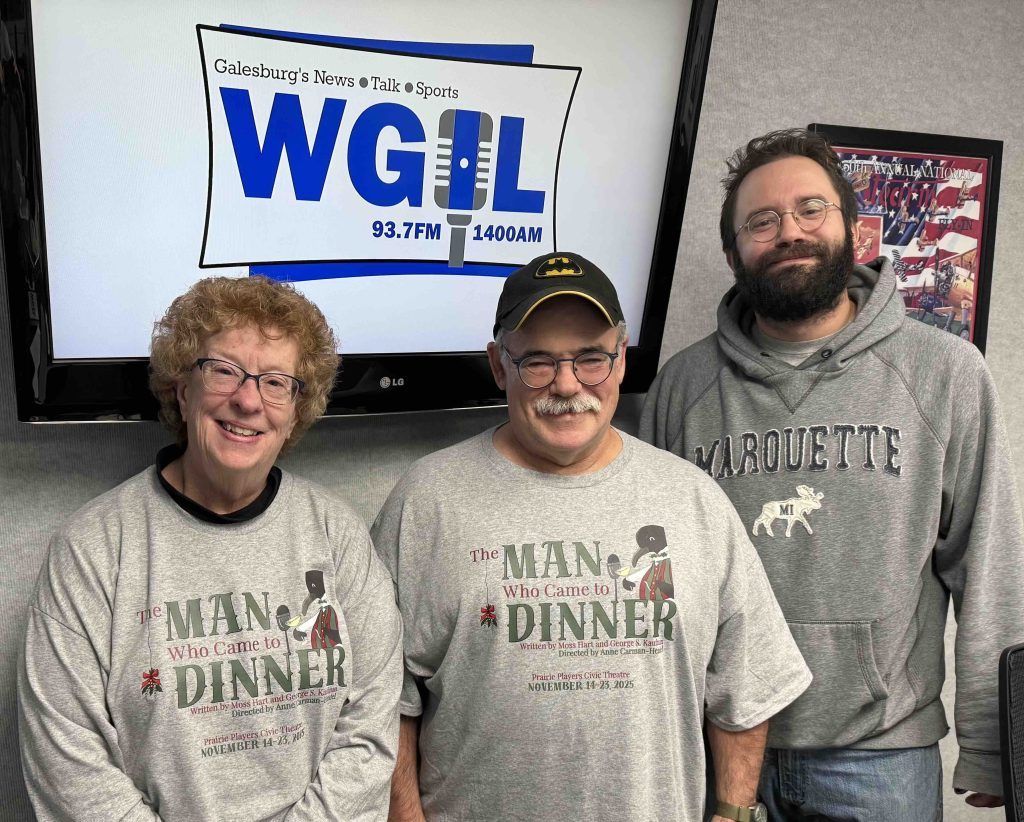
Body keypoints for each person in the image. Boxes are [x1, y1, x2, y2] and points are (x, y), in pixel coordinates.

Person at [640, 128, 1024, 819]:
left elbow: (988, 563)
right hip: (718, 750)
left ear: (852, 227)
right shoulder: (681, 388)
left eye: (810, 209)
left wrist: (995, 743)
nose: (789, 232)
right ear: (734, 253)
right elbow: (657, 578)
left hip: (879, 758)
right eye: (762, 220)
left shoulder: (944, 373)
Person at [372, 251, 810, 822]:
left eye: (590, 359)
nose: (566, 384)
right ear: (498, 366)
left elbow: (746, 688)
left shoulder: (693, 500)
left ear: (621, 360)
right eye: (537, 361)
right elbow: (381, 704)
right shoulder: (424, 502)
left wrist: (731, 815)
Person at [18, 276, 403, 820]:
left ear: (297, 409)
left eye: (275, 382)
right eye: (223, 370)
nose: (247, 400)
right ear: (182, 388)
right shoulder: (92, 550)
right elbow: (71, 770)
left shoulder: (337, 536)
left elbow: (369, 734)